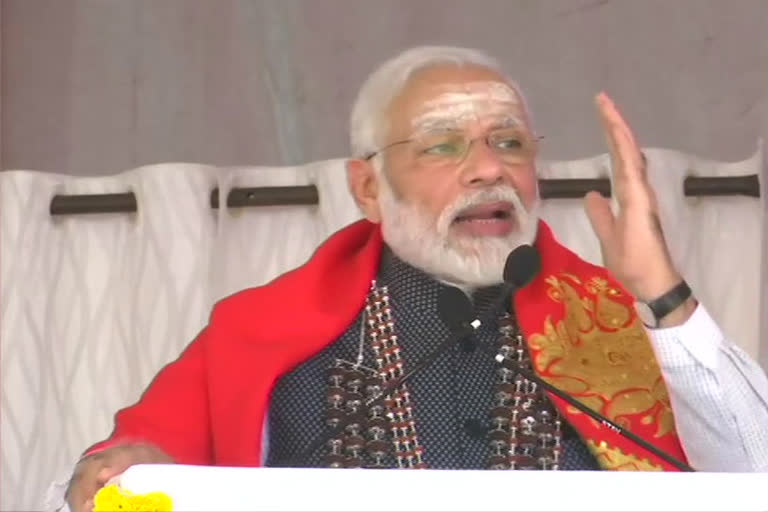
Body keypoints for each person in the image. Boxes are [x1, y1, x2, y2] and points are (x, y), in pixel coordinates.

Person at [63, 46, 768, 511]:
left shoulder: (619, 318)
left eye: (509, 142)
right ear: (368, 187)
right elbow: (121, 472)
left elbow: (755, 477)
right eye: (443, 145)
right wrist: (122, 472)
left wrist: (663, 295)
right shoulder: (261, 331)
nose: (489, 167)